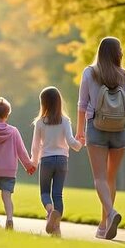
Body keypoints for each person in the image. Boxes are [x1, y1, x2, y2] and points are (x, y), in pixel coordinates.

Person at [75, 37, 125, 240]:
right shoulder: (124, 76)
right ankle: (103, 225)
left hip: (96, 128)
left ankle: (110, 214)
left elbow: (82, 105)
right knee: (111, 178)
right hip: (119, 130)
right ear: (116, 53)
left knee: (99, 177)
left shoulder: (89, 72)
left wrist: (80, 131)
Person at [30, 86, 83, 236]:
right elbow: (72, 142)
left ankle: (50, 211)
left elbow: (35, 146)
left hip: (46, 159)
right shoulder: (65, 121)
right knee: (58, 194)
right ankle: (57, 228)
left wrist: (33, 162)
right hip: (62, 160)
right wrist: (80, 144)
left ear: (43, 103)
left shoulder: (40, 123)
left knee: (45, 192)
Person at [0, 97, 37, 230]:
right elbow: (21, 150)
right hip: (9, 170)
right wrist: (28, 165)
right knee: (7, 196)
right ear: (7, 115)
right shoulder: (13, 131)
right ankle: (9, 218)